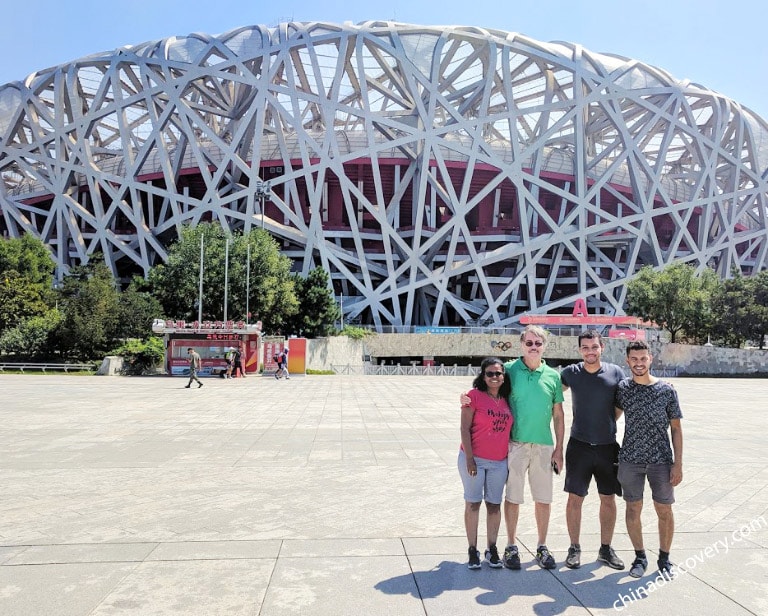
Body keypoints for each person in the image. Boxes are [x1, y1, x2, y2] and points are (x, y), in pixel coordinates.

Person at [463, 325, 564, 570]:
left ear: (544, 346)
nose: (533, 347)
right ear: (521, 345)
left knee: (543, 498)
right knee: (513, 498)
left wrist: (559, 448)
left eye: (538, 343)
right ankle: (510, 546)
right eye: (529, 343)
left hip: (543, 445)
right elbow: (487, 382)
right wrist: (466, 397)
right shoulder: (508, 370)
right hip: (515, 444)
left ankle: (541, 546)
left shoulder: (553, 376)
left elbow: (558, 414)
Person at [615, 340, 683, 579]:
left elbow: (676, 428)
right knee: (633, 507)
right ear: (627, 361)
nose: (639, 363)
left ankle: (664, 559)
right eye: (634, 359)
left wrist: (678, 463)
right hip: (630, 458)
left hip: (661, 460)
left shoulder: (666, 390)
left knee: (664, 509)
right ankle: (640, 556)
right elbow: (610, 418)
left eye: (643, 358)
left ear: (650, 359)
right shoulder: (623, 388)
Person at [559, 330, 625, 570]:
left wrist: (607, 422)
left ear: (602, 347)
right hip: (579, 446)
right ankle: (574, 548)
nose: (590, 351)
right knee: (575, 499)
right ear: (579, 350)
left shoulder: (615, 372)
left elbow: (622, 403)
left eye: (594, 347)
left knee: (608, 499)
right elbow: (548, 391)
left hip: (608, 446)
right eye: (585, 347)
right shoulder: (570, 374)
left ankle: (605, 549)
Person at [459, 357, 513, 570]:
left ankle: (492, 548)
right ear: (482, 375)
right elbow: (464, 429)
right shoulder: (474, 396)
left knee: (494, 504)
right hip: (474, 459)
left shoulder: (508, 398)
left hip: (499, 462)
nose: (494, 377)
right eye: (490, 373)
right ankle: (473, 549)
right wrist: (470, 459)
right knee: (473, 503)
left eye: (498, 373)